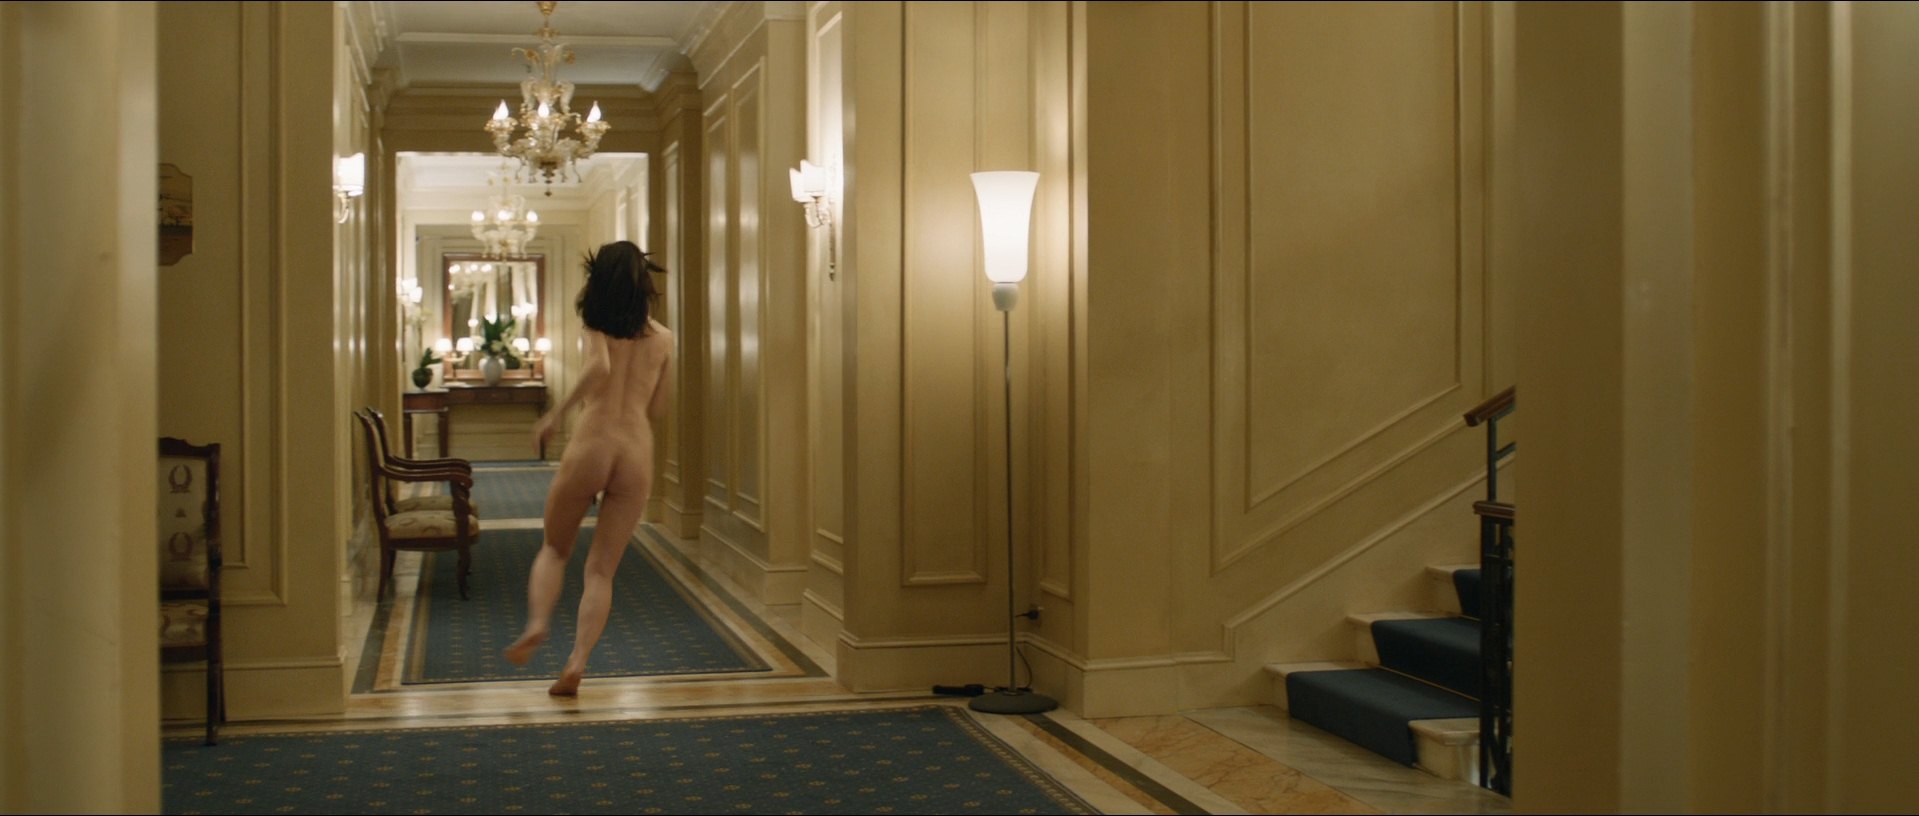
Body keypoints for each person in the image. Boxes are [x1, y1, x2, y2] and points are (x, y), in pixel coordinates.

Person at [503, 240, 672, 696]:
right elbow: (658, 406)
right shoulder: (665, 338)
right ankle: (577, 660)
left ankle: (538, 624)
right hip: (636, 450)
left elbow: (599, 367)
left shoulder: (596, 324)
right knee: (601, 571)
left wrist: (555, 415)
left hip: (593, 443)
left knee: (555, 548)